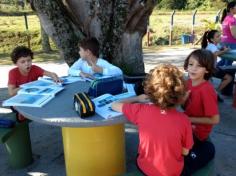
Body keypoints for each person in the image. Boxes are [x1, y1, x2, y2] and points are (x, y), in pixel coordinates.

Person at [112, 65, 194, 176]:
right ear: (180, 94)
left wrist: (137, 98)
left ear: (150, 91)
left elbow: (114, 104)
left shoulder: (141, 110)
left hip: (145, 169)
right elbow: (185, 152)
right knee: (208, 149)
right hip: (172, 172)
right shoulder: (184, 120)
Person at [182, 49, 220, 175]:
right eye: (191, 64)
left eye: (199, 66)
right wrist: (183, 100)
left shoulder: (206, 90)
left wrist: (188, 119)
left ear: (207, 70)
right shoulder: (188, 83)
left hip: (197, 132)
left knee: (180, 155)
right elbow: (184, 107)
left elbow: (215, 119)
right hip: (186, 125)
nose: (193, 69)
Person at [8, 46, 61, 121]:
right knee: (17, 107)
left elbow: (49, 73)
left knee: (49, 99)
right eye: (23, 62)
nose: (27, 64)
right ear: (16, 63)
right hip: (19, 98)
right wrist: (27, 87)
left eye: (29, 60)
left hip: (33, 96)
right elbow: (11, 92)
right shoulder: (13, 72)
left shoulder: (34, 68)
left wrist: (54, 76)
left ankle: (26, 113)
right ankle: (22, 113)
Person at [201, 29, 234, 98]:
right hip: (210, 69)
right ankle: (215, 92)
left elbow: (220, 48)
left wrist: (224, 48)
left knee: (229, 72)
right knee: (229, 78)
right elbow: (216, 53)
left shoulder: (216, 44)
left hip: (211, 68)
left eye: (220, 35)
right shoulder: (211, 46)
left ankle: (214, 92)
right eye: (217, 36)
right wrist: (225, 51)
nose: (220, 37)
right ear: (212, 39)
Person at [220, 1, 236, 66]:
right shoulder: (232, 19)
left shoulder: (226, 18)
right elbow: (234, 35)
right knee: (227, 63)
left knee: (223, 61)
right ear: (231, 9)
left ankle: (213, 72)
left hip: (224, 42)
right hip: (231, 43)